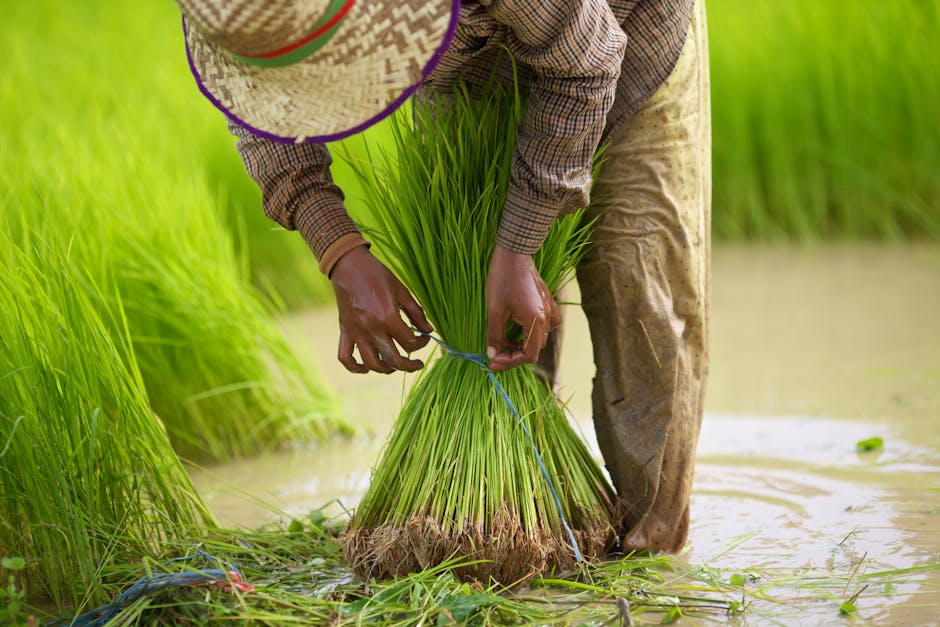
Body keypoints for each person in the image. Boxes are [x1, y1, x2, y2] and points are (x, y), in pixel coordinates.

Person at [178, 0, 710, 553]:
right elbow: (257, 110)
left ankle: (653, 564)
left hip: (626, 43)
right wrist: (339, 250)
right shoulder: (232, 12)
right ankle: (531, 520)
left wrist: (517, 248)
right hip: (466, 73)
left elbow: (590, 56)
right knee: (488, 313)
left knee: (640, 303)